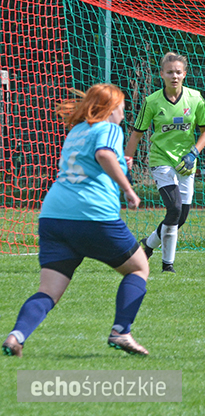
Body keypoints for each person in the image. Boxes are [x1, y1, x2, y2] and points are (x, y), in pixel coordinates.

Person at [2, 84, 149, 357]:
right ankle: (121, 331)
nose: (123, 112)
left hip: (53, 216)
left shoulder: (77, 131)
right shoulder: (109, 128)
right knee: (139, 267)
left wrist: (120, 163)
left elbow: (97, 160)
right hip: (91, 215)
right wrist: (128, 189)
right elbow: (103, 155)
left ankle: (15, 337)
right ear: (110, 108)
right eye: (121, 106)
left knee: (48, 290)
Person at [125, 52, 205, 273]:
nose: (174, 76)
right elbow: (136, 133)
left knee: (180, 216)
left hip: (186, 163)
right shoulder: (152, 102)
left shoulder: (195, 98)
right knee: (173, 208)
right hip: (161, 160)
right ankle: (167, 266)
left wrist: (194, 152)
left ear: (184, 74)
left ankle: (147, 245)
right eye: (170, 72)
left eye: (178, 72)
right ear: (162, 74)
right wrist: (127, 160)